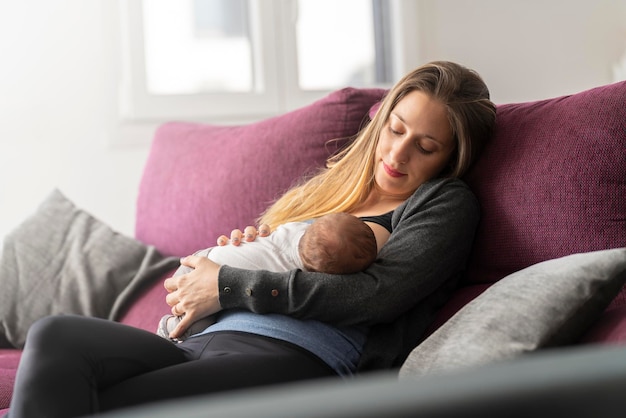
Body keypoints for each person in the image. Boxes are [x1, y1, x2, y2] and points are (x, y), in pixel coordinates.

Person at [7, 61, 496, 418]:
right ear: (381, 120)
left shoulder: (443, 201)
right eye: (395, 129)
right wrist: (242, 254)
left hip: (292, 357)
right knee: (55, 335)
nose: (398, 152)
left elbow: (378, 296)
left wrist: (230, 283)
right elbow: (267, 258)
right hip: (204, 344)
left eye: (426, 147)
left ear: (449, 159)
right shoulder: (332, 191)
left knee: (91, 406)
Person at [157, 212, 387, 341]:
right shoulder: (294, 273)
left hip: (202, 256)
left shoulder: (296, 227)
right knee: (192, 328)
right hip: (203, 277)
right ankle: (167, 327)